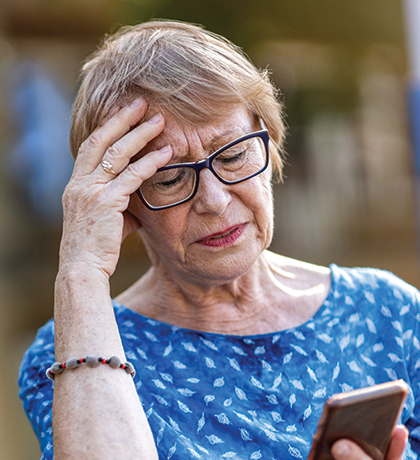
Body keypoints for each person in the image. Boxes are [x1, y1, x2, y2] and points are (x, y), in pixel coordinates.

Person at [18, 19, 419, 460]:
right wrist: (81, 272)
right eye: (169, 179)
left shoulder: (390, 312)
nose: (213, 200)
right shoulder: (74, 346)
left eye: (232, 155)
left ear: (270, 142)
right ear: (122, 202)